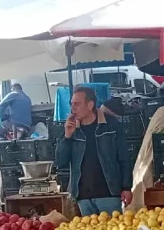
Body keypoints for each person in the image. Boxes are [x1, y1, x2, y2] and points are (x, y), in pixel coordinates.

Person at [53, 87, 132, 216]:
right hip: (83, 197)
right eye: (71, 104)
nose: (72, 108)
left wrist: (126, 187)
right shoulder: (72, 129)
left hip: (109, 194)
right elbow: (60, 162)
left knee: (114, 229)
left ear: (90, 105)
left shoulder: (111, 125)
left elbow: (124, 158)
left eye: (77, 104)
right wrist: (67, 137)